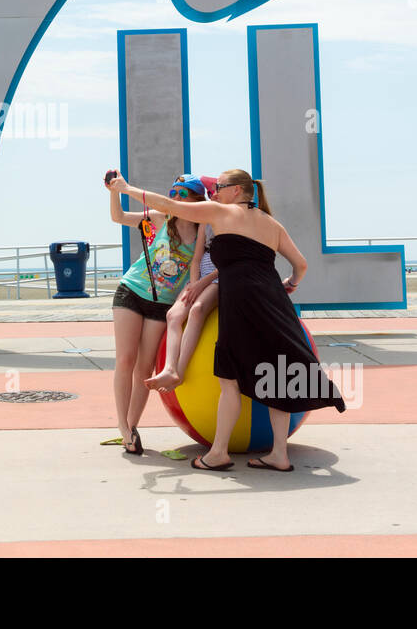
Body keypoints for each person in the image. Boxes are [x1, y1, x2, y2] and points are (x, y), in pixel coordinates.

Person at [108, 170, 345, 472]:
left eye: (219, 187)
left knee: (228, 380)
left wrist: (127, 188)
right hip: (275, 303)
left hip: (240, 302)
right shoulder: (271, 223)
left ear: (235, 191)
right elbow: (301, 264)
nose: (215, 192)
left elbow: (169, 206)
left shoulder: (220, 212)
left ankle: (218, 453)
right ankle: (279, 455)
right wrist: (291, 283)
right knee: (278, 373)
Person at [105, 171, 203, 455]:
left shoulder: (201, 232)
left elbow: (196, 267)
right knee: (125, 359)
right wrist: (115, 190)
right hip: (132, 291)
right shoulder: (161, 218)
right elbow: (119, 217)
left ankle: (131, 428)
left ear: (197, 199)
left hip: (163, 304)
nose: (175, 198)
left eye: (182, 194)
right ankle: (123, 427)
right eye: (173, 193)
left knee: (145, 369)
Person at [145, 213, 218, 393]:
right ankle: (169, 368)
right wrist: (194, 284)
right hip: (199, 279)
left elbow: (228, 264)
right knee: (173, 315)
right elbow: (196, 259)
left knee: (197, 310)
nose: (214, 195)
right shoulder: (205, 221)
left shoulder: (234, 222)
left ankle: (181, 370)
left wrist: (201, 284)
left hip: (219, 279)